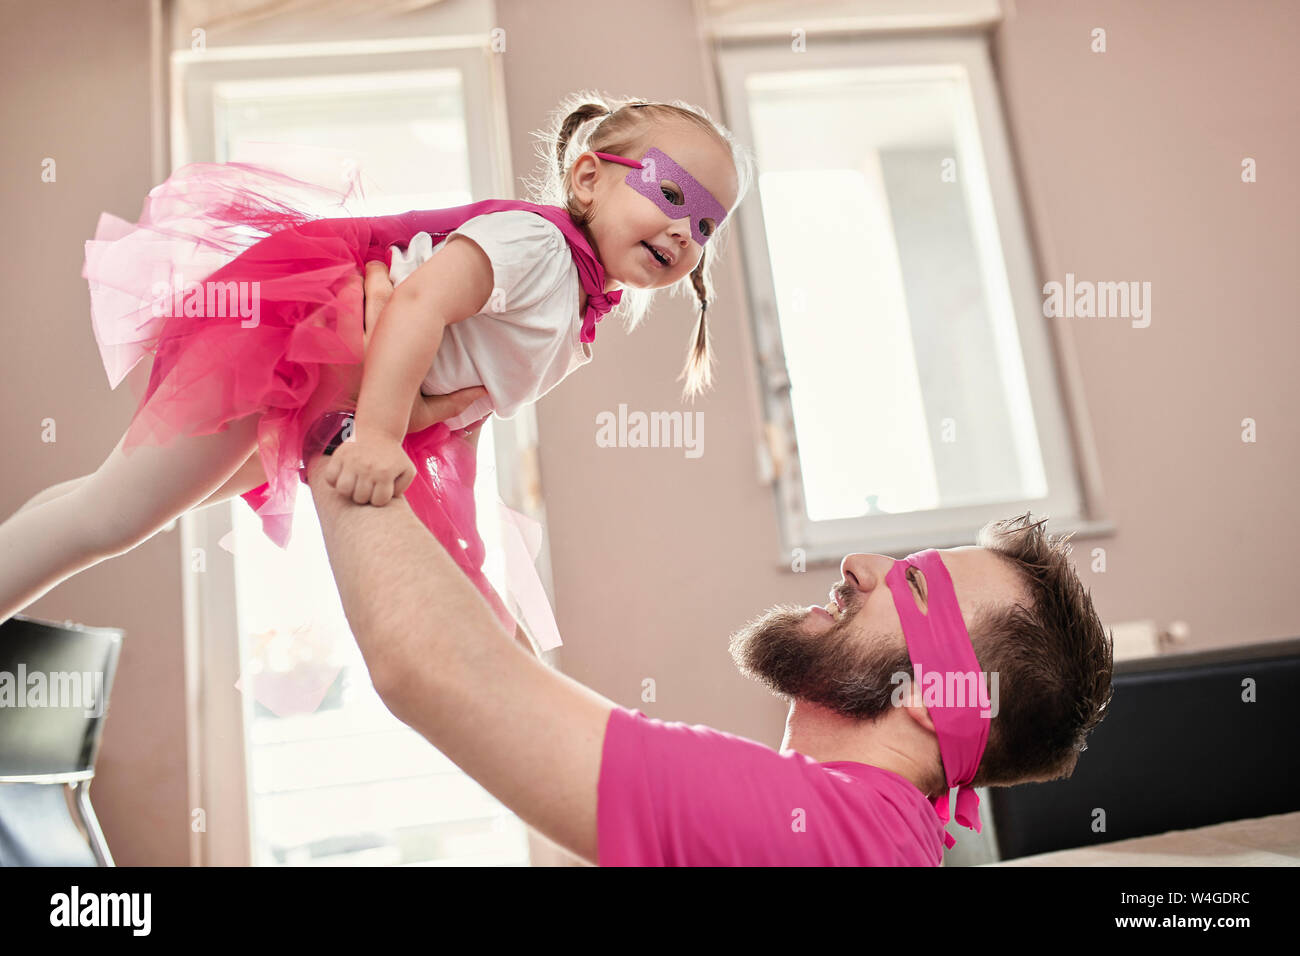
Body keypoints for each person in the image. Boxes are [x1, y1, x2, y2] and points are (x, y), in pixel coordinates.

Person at [0, 93, 752, 630]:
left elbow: (467, 403)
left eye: (707, 225)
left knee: (129, 507)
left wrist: (463, 538)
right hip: (303, 337)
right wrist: (381, 437)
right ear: (589, 178)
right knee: (115, 517)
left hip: (332, 378)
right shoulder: (540, 247)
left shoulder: (579, 314)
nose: (686, 231)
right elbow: (419, 304)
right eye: (672, 193)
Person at [300, 404, 1115, 867]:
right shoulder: (871, 831)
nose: (862, 563)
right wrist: (435, 460)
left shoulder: (825, 833)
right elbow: (503, 680)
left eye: (914, 585)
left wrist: (334, 426)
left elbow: (437, 671)